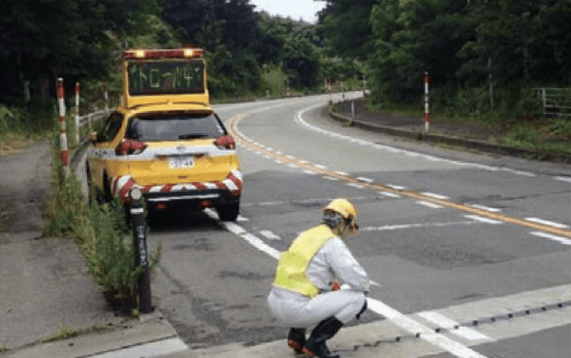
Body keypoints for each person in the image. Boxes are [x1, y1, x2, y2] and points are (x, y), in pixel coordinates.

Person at [267, 198, 370, 358]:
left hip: (275, 301)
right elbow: (356, 278)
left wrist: (330, 287)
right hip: (295, 310)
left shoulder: (307, 234)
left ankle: (297, 336)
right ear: (343, 223)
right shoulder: (332, 242)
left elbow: (308, 271)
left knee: (320, 290)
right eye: (348, 227)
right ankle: (316, 343)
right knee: (357, 298)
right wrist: (365, 288)